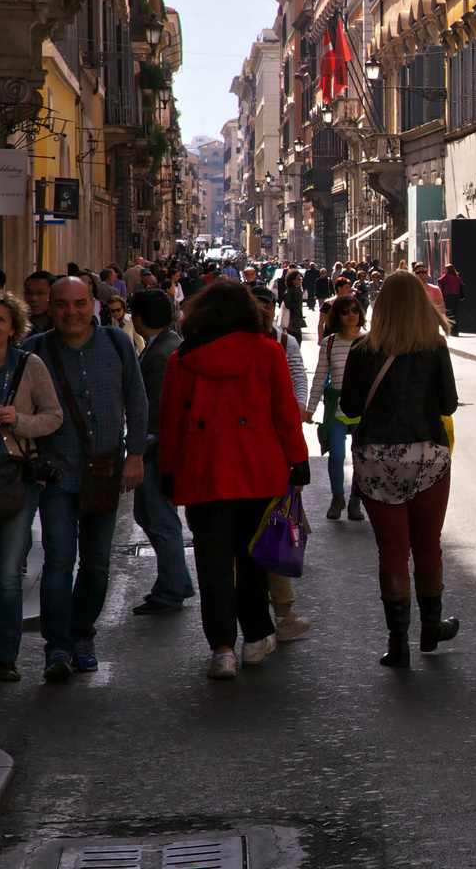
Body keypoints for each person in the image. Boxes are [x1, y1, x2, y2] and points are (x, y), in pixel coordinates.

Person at [159, 280, 311, 679]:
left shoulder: (182, 360)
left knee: (212, 564)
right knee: (252, 560)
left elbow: (172, 423)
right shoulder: (267, 351)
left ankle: (222, 649)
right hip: (258, 469)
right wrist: (298, 459)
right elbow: (285, 413)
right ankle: (256, 638)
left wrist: (169, 471)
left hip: (205, 471)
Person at [26, 277, 149, 682]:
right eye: (62, 304)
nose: (71, 312)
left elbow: (137, 399)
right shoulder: (35, 351)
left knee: (96, 564)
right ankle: (57, 645)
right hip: (56, 475)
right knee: (60, 561)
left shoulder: (116, 344)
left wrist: (135, 456)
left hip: (105, 472)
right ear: (51, 306)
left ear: (94, 303)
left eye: (80, 303)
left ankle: (83, 637)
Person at [337, 270, 460, 668]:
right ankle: (430, 627)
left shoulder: (360, 351)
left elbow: (352, 409)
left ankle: (398, 642)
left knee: (391, 548)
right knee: (427, 544)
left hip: (375, 457)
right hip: (426, 454)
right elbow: (449, 405)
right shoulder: (435, 349)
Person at [0, 290, 62, 682]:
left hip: (15, 480)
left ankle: (6, 655)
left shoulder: (30, 365)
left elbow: (53, 416)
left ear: (13, 327)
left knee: (7, 575)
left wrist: (18, 420)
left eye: (1, 320)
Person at [127, 289, 196, 616]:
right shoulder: (166, 345)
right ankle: (178, 580)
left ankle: (171, 589)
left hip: (157, 449)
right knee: (152, 516)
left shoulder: (161, 353)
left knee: (159, 518)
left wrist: (137, 451)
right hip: (161, 447)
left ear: (138, 320)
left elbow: (153, 410)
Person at [252, 285, 313, 643]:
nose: (263, 312)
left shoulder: (284, 342)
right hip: (262, 448)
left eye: (267, 306)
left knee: (276, 528)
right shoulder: (241, 343)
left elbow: (298, 378)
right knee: (264, 530)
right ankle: (264, 617)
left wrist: (301, 406)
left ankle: (282, 614)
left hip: (276, 443)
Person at [308, 294, 367, 522]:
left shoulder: (369, 342)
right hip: (337, 410)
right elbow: (320, 376)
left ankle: (355, 501)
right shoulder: (329, 343)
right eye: (345, 311)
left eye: (354, 310)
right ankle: (338, 498)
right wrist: (310, 408)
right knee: (336, 456)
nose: (351, 315)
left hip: (362, 411)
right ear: (337, 316)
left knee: (361, 459)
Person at [280, 269, 307, 344]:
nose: (300, 280)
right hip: (291, 321)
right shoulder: (290, 290)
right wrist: (297, 304)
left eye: (301, 278)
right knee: (294, 342)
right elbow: (287, 304)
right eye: (298, 279)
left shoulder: (297, 289)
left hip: (297, 321)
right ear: (293, 280)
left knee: (298, 340)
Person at [438, 263, 465, 336]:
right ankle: (456, 330)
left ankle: (451, 329)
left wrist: (444, 275)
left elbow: (439, 281)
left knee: (449, 313)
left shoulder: (446, 277)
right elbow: (461, 286)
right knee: (455, 313)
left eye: (445, 269)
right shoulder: (457, 278)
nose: (444, 271)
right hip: (457, 297)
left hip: (449, 296)